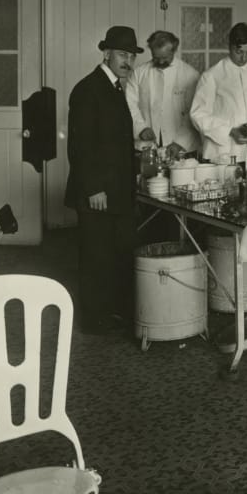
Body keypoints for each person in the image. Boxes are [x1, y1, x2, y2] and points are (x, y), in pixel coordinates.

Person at [64, 25, 143, 335]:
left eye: (132, 56)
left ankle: (112, 313)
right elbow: (80, 146)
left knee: (116, 252)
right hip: (97, 192)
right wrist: (94, 187)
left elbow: (114, 141)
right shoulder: (88, 89)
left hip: (117, 190)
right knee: (96, 256)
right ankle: (94, 321)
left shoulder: (115, 88)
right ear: (106, 53)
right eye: (122, 54)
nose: (128, 62)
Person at [190, 22, 247, 173]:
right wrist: (229, 131)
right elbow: (198, 114)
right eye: (239, 52)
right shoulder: (211, 75)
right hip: (223, 154)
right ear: (230, 46)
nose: (243, 58)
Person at [125, 30, 201, 160]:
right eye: (156, 58)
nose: (160, 62)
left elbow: (194, 113)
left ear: (174, 50)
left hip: (182, 148)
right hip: (146, 148)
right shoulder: (139, 73)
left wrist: (180, 142)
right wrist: (140, 128)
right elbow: (129, 105)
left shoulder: (190, 74)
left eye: (165, 58)